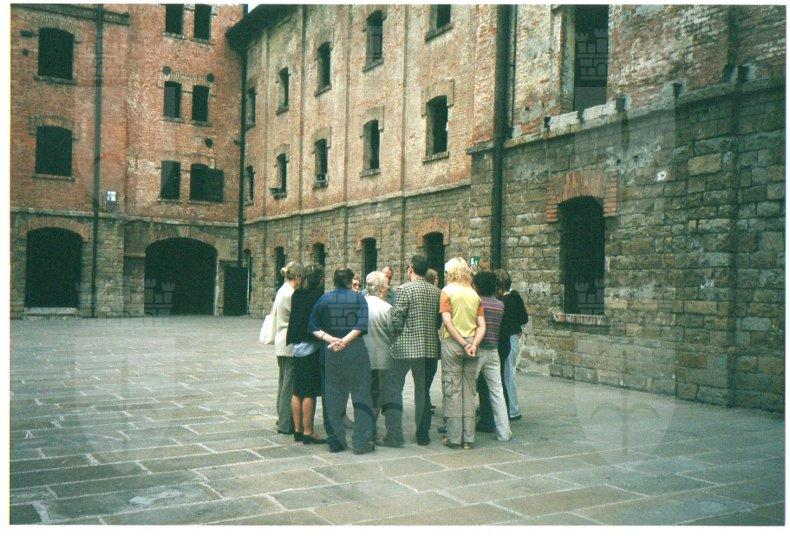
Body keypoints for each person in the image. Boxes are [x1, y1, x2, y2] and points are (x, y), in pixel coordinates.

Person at [309, 268, 375, 454]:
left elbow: (313, 326)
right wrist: (344, 341)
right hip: (355, 352)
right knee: (361, 396)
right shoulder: (359, 299)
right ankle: (361, 442)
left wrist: (332, 340)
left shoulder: (324, 299)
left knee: (332, 398)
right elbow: (361, 325)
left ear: (334, 280)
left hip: (331, 352)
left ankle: (336, 441)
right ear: (350, 281)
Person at [381, 255, 441, 447]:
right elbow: (438, 320)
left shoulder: (404, 289)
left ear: (410, 270)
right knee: (423, 392)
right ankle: (423, 435)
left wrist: (396, 334)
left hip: (405, 347)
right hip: (429, 348)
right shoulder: (436, 292)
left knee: (394, 388)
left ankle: (394, 434)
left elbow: (396, 317)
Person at [439, 257, 485, 449]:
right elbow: (482, 325)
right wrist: (473, 344)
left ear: (450, 272)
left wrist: (462, 344)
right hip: (473, 343)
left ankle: (454, 437)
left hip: (452, 344)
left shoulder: (447, 291)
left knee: (453, 390)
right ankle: (469, 438)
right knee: (469, 390)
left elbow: (447, 322)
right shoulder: (474, 294)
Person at [285, 264, 326, 445]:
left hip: (296, 344)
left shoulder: (297, 294)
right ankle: (308, 431)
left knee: (297, 390)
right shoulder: (318, 296)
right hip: (311, 345)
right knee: (309, 391)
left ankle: (297, 429)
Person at [471, 271, 511, 441]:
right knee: (497, 392)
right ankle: (504, 432)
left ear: (478, 286)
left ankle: (466, 431)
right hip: (493, 350)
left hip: (477, 349)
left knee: (468, 390)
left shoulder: (477, 302)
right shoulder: (500, 305)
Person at [272, 261, 302, 435]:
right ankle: (285, 422)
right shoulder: (291, 294)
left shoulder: (282, 290)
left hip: (281, 340)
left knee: (283, 381)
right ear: (297, 277)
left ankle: (282, 416)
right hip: (289, 341)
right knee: (288, 385)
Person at [495, 269, 528, 421]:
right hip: (514, 337)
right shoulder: (516, 298)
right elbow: (524, 318)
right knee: (510, 373)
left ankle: (511, 409)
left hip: (505, 338)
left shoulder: (502, 302)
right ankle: (512, 408)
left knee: (506, 375)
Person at [362, 271, 394, 430]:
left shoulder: (358, 305)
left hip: (360, 359)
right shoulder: (387, 308)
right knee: (376, 396)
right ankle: (370, 429)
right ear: (381, 288)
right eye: (386, 285)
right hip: (381, 360)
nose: (388, 288)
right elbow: (393, 333)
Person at [423, 268, 441, 415]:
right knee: (429, 374)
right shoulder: (439, 294)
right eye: (436, 278)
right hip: (433, 341)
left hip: (418, 343)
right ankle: (425, 402)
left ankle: (425, 401)